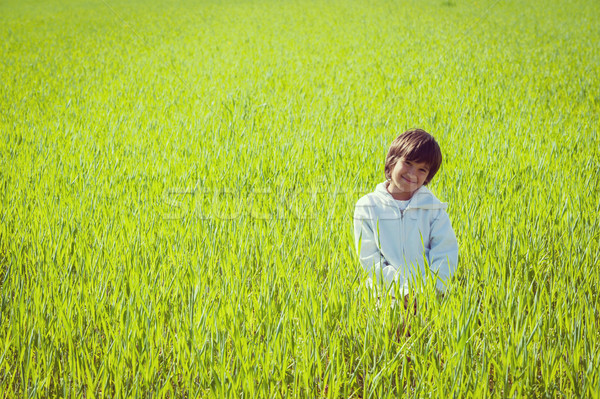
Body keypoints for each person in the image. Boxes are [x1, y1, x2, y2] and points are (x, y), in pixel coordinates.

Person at [353, 129, 458, 306]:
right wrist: (404, 291)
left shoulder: (434, 209)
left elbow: (445, 255)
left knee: (429, 327)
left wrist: (423, 293)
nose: (412, 173)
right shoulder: (367, 206)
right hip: (383, 294)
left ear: (428, 177)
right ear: (392, 162)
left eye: (421, 169)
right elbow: (370, 259)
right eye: (408, 163)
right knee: (390, 328)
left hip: (428, 296)